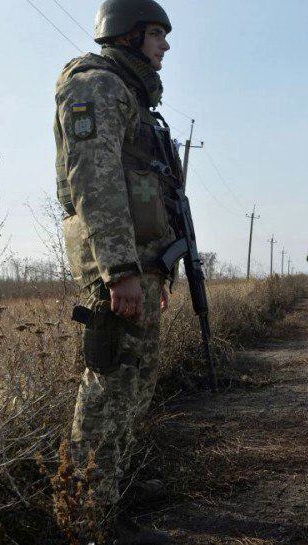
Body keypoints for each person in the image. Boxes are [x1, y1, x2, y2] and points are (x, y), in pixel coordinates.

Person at [54, 0, 178, 541]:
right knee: (110, 383)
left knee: (135, 380)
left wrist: (156, 268)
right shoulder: (98, 85)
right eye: (156, 33)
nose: (165, 44)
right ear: (126, 36)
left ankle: (109, 490)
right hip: (117, 265)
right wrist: (120, 270)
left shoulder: (132, 94)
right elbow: (94, 181)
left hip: (139, 262)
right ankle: (82, 515)